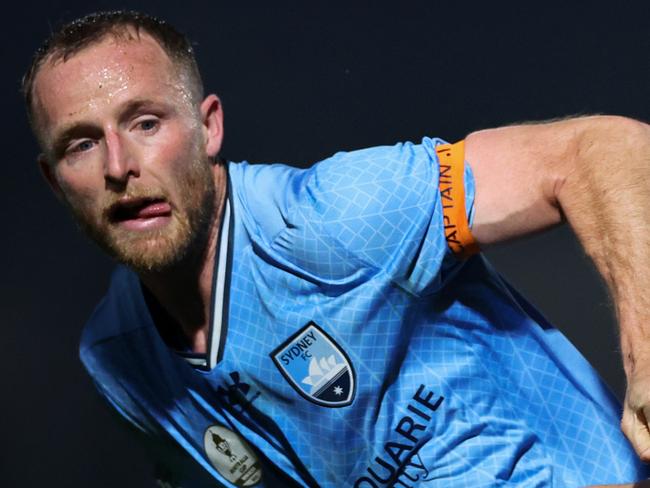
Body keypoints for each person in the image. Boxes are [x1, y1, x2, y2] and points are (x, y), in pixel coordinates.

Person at [23, 9, 650, 488]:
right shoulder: (118, 360)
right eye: (80, 143)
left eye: (146, 122)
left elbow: (598, 151)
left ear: (208, 127)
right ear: (54, 180)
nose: (118, 165)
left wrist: (647, 351)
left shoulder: (333, 219)